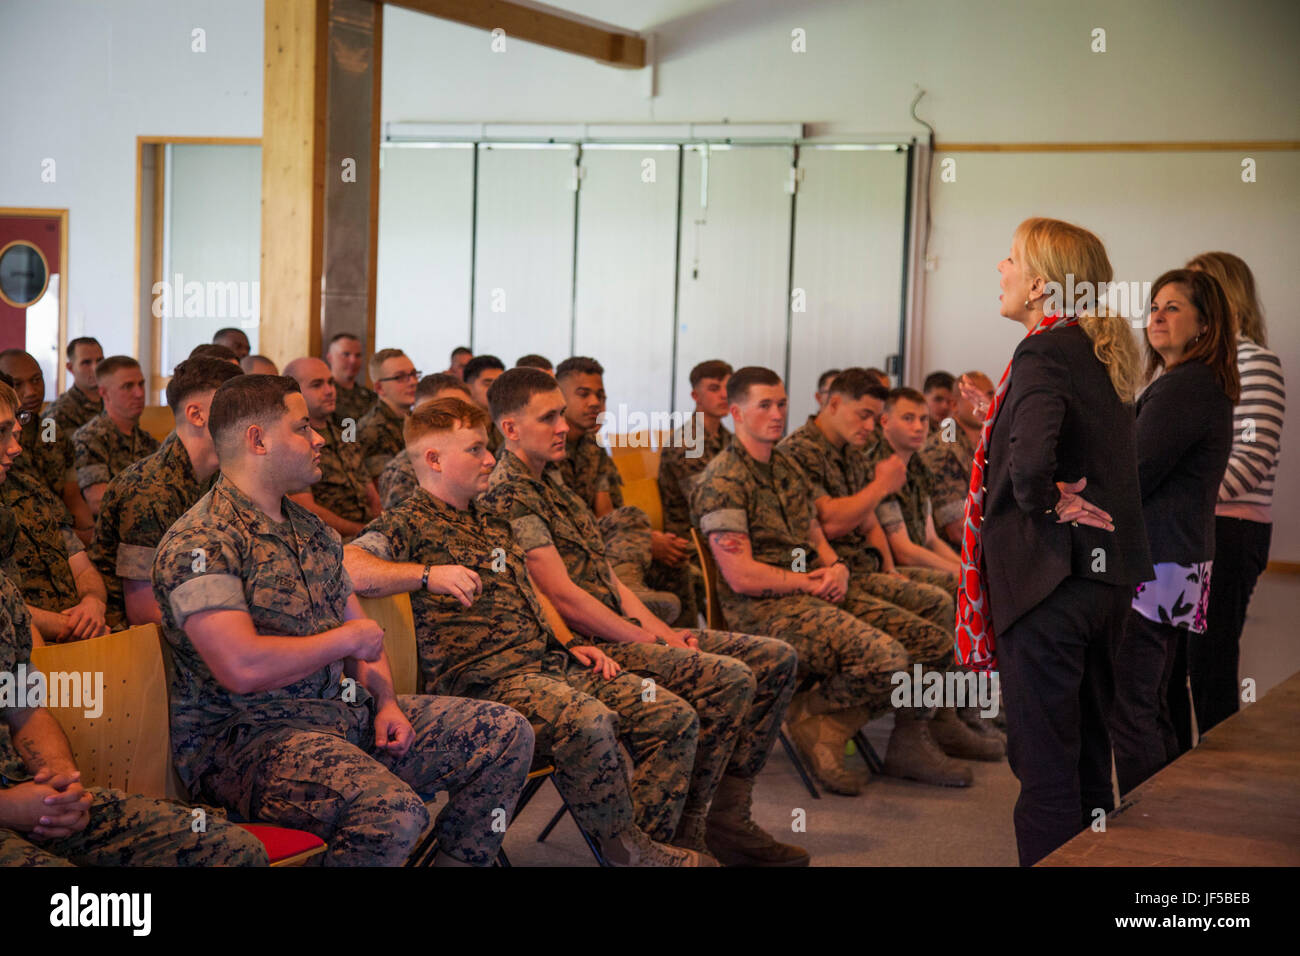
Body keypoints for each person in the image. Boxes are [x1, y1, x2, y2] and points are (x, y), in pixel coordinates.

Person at [152, 374, 533, 866]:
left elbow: (366, 646)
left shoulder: (312, 530)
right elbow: (240, 667)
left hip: (340, 718)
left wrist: (387, 701)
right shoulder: (202, 542)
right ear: (258, 439)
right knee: (392, 812)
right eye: (303, 427)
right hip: (249, 748)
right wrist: (344, 639)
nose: (320, 438)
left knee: (505, 732)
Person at [344, 397, 712, 866]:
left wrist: (571, 641)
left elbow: (533, 594)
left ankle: (637, 842)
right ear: (434, 459)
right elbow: (347, 564)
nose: (490, 459)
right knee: (588, 720)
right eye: (476, 449)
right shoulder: (408, 522)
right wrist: (425, 574)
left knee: (668, 715)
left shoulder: (491, 520)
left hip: (545, 666)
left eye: (488, 448)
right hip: (485, 684)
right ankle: (630, 854)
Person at [482, 367, 805, 864]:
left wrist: (663, 635)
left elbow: (609, 580)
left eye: (562, 416)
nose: (564, 426)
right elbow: (565, 598)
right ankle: (672, 839)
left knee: (775, 658)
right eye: (549, 417)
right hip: (585, 646)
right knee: (729, 679)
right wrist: (650, 642)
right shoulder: (510, 492)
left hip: (618, 630)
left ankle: (723, 817)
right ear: (510, 428)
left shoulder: (556, 483)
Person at [0, 384, 267, 865]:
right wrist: (7, 808)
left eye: (14, 431)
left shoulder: (3, 574)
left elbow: (22, 704)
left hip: (27, 793)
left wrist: (60, 785)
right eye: (1, 433)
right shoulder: (148, 482)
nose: (16, 447)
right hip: (8, 808)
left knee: (229, 849)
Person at [956, 217, 1152, 866]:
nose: (1000, 269)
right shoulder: (1095, 349)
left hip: (1049, 583)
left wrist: (1045, 499)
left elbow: (1032, 458)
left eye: (1010, 260)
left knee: (1044, 774)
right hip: (1105, 582)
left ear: (1041, 284)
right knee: (1091, 761)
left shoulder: (1042, 351)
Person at [693, 367, 969, 795]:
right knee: (888, 659)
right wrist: (807, 582)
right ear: (736, 412)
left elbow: (814, 530)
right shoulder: (723, 478)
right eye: (763, 405)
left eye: (781, 404)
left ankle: (894, 736)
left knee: (930, 641)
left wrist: (833, 565)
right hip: (763, 611)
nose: (776, 414)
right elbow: (741, 575)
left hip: (813, 590)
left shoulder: (782, 465)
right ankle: (814, 718)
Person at [779, 368, 1003, 762]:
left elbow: (871, 524)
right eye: (865, 415)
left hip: (860, 570)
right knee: (938, 612)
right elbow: (830, 521)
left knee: (948, 597)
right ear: (833, 404)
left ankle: (935, 719)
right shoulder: (801, 452)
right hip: (824, 577)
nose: (871, 425)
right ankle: (836, 717)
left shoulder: (852, 450)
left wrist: (887, 565)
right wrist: (880, 486)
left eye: (876, 416)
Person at [1109, 269, 1238, 796]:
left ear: (1204, 326)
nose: (1156, 316)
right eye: (1154, 306)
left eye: (1173, 308)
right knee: (1154, 698)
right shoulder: (1193, 382)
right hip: (1177, 559)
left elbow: (1133, 474)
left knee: (1131, 704)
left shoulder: (1186, 387)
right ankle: (1164, 805)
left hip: (1158, 561)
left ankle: (1147, 823)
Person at [1186, 251, 1285, 736]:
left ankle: (1214, 766)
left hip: (1231, 528)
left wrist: (1181, 500)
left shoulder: (1255, 362)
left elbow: (1251, 459)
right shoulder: (1193, 363)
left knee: (1212, 657)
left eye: (1199, 288)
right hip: (1195, 523)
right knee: (1183, 658)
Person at [91, 358, 244, 629]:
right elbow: (144, 612)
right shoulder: (147, 490)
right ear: (197, 415)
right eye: (236, 407)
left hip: (204, 619)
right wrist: (235, 633)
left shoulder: (222, 478)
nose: (249, 418)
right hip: (148, 647)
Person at [0, 350, 93, 543]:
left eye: (36, 380)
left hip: (66, 531)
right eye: (18, 384)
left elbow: (72, 495)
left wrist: (90, 533)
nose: (31, 391)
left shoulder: (48, 427)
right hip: (26, 537)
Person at [870, 388, 963, 579]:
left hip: (918, 560)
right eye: (908, 418)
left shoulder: (919, 467)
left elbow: (930, 539)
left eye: (924, 419)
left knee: (982, 583)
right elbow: (903, 551)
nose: (919, 427)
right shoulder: (878, 467)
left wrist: (968, 569)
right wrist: (963, 574)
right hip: (889, 569)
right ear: (885, 422)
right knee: (963, 588)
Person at [283, 357, 379, 538]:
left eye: (331, 383)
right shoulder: (293, 443)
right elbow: (304, 506)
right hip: (326, 540)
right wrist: (362, 531)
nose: (329, 391)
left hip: (366, 535)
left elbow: (371, 495)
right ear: (294, 394)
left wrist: (380, 528)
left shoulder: (345, 434)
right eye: (317, 385)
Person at [72, 356, 160, 516]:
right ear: (104, 393)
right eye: (128, 386)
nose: (139, 394)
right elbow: (99, 502)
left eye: (141, 384)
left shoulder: (148, 442)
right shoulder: (90, 438)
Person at [659, 360, 732, 542]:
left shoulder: (729, 439)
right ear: (696, 396)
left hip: (726, 531)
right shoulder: (686, 443)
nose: (724, 395)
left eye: (728, 387)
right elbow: (707, 505)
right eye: (714, 389)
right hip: (692, 541)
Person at [378, 373, 472, 511]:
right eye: (453, 411)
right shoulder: (406, 472)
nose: (466, 419)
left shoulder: (470, 457)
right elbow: (406, 529)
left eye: (468, 411)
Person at [921, 370, 993, 549]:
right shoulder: (943, 447)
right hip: (955, 551)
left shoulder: (988, 442)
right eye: (973, 396)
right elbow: (957, 530)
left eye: (989, 396)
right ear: (954, 405)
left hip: (984, 539)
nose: (984, 403)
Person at [358, 348, 418, 480]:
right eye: (400, 377)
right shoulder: (372, 429)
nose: (413, 382)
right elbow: (384, 484)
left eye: (414, 374)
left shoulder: (418, 420)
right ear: (379, 388)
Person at [49, 337, 104, 436]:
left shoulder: (114, 404)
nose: (96, 368)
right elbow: (46, 449)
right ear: (71, 368)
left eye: (100, 361)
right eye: (86, 363)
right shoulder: (56, 412)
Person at [325, 332, 377, 424]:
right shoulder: (325, 396)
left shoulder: (370, 397)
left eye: (358, 355)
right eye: (346, 354)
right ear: (330, 358)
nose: (353, 361)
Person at [462, 354, 506, 456]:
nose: (496, 390)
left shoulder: (503, 425)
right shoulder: (460, 428)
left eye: (500, 384)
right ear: (468, 388)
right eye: (488, 384)